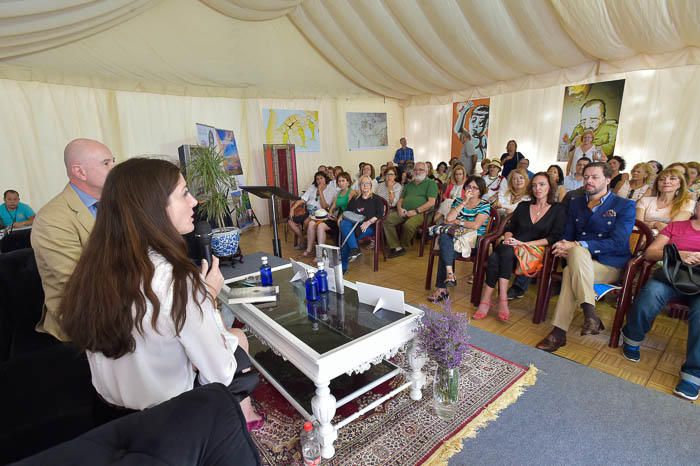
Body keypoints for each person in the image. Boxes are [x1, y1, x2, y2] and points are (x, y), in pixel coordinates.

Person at [58, 158, 263, 427]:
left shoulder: (91, 269)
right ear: (153, 208)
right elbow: (220, 373)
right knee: (236, 340)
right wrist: (207, 298)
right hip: (170, 418)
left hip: (107, 413)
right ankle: (243, 422)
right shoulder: (175, 281)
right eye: (184, 193)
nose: (194, 202)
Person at [536, 162, 636, 352]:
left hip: (610, 264)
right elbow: (568, 234)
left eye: (595, 177)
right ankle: (590, 315)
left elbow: (618, 242)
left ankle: (559, 333)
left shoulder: (624, 205)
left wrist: (578, 245)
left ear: (608, 180)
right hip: (578, 261)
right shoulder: (576, 202)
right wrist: (564, 245)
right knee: (571, 265)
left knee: (572, 262)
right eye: (586, 177)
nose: (589, 181)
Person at [31, 138, 116, 341]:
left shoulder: (114, 204)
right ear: (80, 172)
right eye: (106, 163)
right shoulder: (52, 219)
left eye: (113, 161)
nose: (115, 168)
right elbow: (79, 286)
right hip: (83, 317)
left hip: (122, 300)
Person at [620, 201, 700, 400]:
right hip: (673, 276)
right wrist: (679, 254)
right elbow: (651, 252)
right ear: (697, 206)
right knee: (651, 293)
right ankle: (632, 337)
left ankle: (693, 373)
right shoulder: (677, 226)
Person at [474, 173, 566, 320]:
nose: (538, 188)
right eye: (534, 185)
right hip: (513, 247)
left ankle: (487, 299)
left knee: (495, 257)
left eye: (542, 184)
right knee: (503, 252)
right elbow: (510, 227)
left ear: (550, 187)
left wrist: (524, 244)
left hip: (535, 250)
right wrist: (509, 238)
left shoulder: (558, 209)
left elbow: (554, 237)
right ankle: (502, 299)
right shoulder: (523, 206)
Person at [427, 176, 490, 303]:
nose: (471, 190)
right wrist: (464, 202)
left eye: (475, 188)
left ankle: (442, 288)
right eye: (468, 187)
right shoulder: (459, 201)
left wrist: (458, 221)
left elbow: (475, 225)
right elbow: (448, 219)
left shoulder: (484, 205)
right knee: (445, 237)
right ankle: (449, 275)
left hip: (473, 242)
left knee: (445, 248)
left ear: (481, 191)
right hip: (455, 240)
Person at [383, 162, 438, 258]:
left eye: (420, 169)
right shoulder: (409, 185)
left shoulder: (431, 183)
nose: (417, 171)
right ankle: (396, 247)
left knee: (408, 225)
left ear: (426, 171)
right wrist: (399, 209)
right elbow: (400, 200)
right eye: (416, 169)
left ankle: (404, 245)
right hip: (404, 211)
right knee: (386, 220)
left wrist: (416, 211)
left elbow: (431, 202)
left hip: (423, 213)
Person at [339, 175, 384, 271]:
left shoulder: (377, 199)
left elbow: (380, 214)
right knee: (344, 224)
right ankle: (354, 249)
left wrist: (368, 222)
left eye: (367, 183)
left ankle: (343, 267)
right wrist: (341, 216)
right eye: (362, 183)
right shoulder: (355, 199)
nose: (365, 185)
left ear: (371, 185)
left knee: (346, 236)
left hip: (369, 226)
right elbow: (347, 212)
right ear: (359, 185)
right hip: (354, 224)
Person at [636, 168, 695, 233]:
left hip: (668, 241)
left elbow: (674, 229)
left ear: (680, 184)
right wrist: (658, 225)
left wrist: (656, 223)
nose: (666, 182)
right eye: (662, 179)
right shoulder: (644, 201)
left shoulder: (687, 203)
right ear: (657, 184)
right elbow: (638, 225)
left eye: (672, 178)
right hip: (642, 236)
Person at [289, 171, 336, 252]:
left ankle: (306, 240)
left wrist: (320, 191)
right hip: (307, 211)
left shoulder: (331, 190)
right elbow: (303, 199)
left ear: (325, 179)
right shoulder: (312, 187)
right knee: (291, 222)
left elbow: (325, 206)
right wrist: (292, 209)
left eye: (321, 178)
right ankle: (302, 239)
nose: (319, 180)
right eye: (317, 179)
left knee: (307, 221)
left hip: (319, 213)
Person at [314, 172, 355, 254]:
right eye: (339, 181)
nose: (341, 183)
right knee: (320, 226)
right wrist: (330, 213)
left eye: (343, 181)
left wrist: (339, 217)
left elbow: (349, 209)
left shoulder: (351, 192)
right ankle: (321, 252)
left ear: (348, 182)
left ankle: (344, 247)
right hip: (338, 217)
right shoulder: (338, 193)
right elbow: (333, 206)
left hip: (347, 218)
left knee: (338, 223)